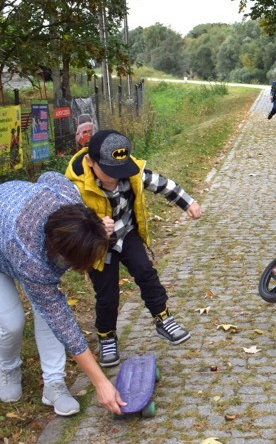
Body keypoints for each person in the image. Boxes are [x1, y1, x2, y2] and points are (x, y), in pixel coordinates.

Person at [65, 130, 202, 368]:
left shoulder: (133, 174)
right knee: (107, 295)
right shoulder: (74, 186)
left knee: (146, 272)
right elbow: (66, 221)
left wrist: (188, 202)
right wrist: (93, 224)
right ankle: (107, 336)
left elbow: (163, 184)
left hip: (126, 235)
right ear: (90, 161)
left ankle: (162, 318)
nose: (115, 178)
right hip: (98, 245)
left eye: (120, 172)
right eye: (109, 172)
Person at [0, 172, 125, 416]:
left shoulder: (67, 198)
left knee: (47, 315)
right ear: (57, 250)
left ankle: (54, 384)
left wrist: (94, 226)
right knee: (12, 322)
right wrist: (101, 382)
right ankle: (8, 367)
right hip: (4, 247)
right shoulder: (29, 256)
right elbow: (62, 321)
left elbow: (50, 176)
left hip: (18, 222)